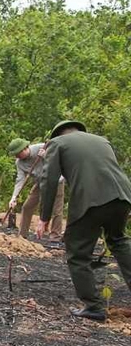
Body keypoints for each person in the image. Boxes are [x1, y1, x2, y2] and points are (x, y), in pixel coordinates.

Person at [37, 120, 131, 322]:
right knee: (118, 240)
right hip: (122, 195)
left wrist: (44, 217)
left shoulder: (58, 143)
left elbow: (49, 180)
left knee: (78, 252)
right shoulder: (102, 140)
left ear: (57, 134)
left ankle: (94, 306)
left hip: (90, 200)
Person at [6, 137, 65, 240]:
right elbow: (20, 180)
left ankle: (55, 237)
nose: (17, 156)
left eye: (18, 153)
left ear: (25, 148)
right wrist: (14, 197)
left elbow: (60, 160)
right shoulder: (19, 163)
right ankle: (22, 235)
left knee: (56, 209)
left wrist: (46, 156)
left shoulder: (42, 148)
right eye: (15, 155)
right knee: (27, 206)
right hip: (40, 182)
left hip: (55, 180)